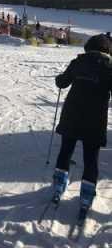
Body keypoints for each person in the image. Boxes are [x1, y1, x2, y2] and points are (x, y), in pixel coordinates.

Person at [52, 34, 112, 211]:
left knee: (65, 151)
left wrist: (58, 78)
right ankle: (86, 195)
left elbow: (62, 82)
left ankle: (58, 185)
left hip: (72, 115)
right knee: (91, 158)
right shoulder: (109, 67)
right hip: (95, 119)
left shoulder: (78, 62)